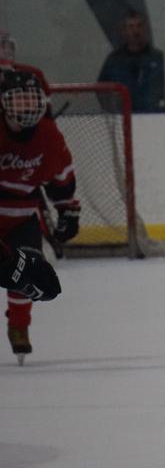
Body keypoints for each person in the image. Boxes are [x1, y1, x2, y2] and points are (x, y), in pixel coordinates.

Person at [0, 69, 78, 364]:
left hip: (22, 216)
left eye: (31, 100)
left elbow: (61, 176)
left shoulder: (48, 134)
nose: (26, 107)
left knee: (28, 269)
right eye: (18, 100)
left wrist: (67, 208)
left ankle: (19, 325)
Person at [98, 11, 165, 112]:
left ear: (145, 29)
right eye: (131, 26)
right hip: (123, 118)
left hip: (154, 118)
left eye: (139, 25)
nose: (135, 31)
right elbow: (101, 90)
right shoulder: (114, 61)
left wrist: (163, 113)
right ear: (124, 31)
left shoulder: (159, 59)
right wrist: (114, 112)